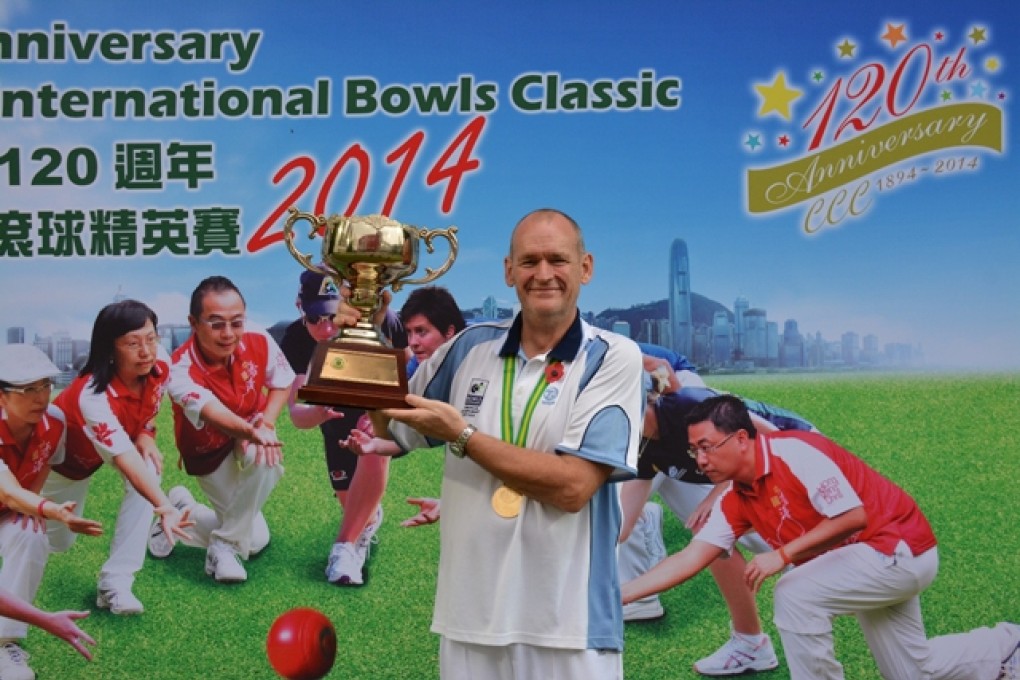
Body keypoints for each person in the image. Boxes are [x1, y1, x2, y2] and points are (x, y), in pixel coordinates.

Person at [373, 208, 644, 679]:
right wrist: (366, 340)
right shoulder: (468, 348)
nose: (543, 274)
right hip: (469, 619)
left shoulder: (612, 356)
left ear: (585, 268)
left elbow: (573, 488)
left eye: (557, 260)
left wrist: (463, 436)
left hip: (568, 626)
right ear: (508, 271)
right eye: (529, 261)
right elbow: (393, 428)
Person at [622, 394, 1020, 680]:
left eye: (707, 447)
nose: (701, 461)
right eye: (695, 452)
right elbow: (691, 558)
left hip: (896, 549)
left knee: (793, 591)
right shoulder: (737, 497)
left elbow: (852, 516)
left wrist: (781, 556)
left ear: (742, 438)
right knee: (913, 671)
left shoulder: (794, 452)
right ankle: (1006, 646)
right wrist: (617, 595)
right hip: (866, 564)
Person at [620, 381, 816, 675]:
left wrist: (717, 497)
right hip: (752, 472)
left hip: (794, 451)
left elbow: (767, 439)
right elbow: (622, 525)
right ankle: (751, 643)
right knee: (712, 538)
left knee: (818, 568)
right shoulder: (641, 443)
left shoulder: (688, 405)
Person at [42, 300, 193, 618]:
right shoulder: (92, 396)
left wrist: (147, 433)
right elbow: (124, 459)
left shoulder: (159, 364)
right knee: (57, 542)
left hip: (111, 449)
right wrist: (163, 506)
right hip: (64, 466)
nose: (146, 351)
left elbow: (152, 403)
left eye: (151, 338)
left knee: (149, 467)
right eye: (133, 344)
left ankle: (115, 584)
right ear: (110, 350)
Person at [155, 276, 294, 583]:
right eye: (216, 323)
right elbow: (213, 413)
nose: (229, 333)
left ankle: (223, 545)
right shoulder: (179, 370)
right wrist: (252, 431)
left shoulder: (257, 336)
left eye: (236, 322)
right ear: (193, 322)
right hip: (208, 448)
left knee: (264, 455)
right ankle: (182, 512)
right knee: (256, 541)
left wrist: (266, 423)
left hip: (252, 424)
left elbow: (282, 381)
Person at [280, 271, 407, 586]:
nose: (325, 328)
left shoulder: (383, 321)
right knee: (353, 503)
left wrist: (384, 412)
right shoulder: (296, 340)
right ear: (299, 307)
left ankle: (345, 548)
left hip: (376, 413)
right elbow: (297, 414)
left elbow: (408, 372)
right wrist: (320, 412)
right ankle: (367, 522)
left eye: (333, 316)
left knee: (373, 438)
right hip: (333, 420)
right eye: (315, 318)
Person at [0, 344, 104, 680]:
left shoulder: (55, 421)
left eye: (45, 385)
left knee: (30, 533)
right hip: (8, 499)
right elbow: (9, 491)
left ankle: (4, 644)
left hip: (6, 510)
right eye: (28, 389)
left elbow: (42, 465)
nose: (41, 397)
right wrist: (52, 510)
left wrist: (35, 506)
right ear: (2, 396)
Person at [341, 286, 467, 531]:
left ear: (450, 332)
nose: (414, 343)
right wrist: (375, 444)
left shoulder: (476, 365)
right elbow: (419, 432)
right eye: (409, 332)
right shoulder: (419, 366)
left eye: (422, 332)